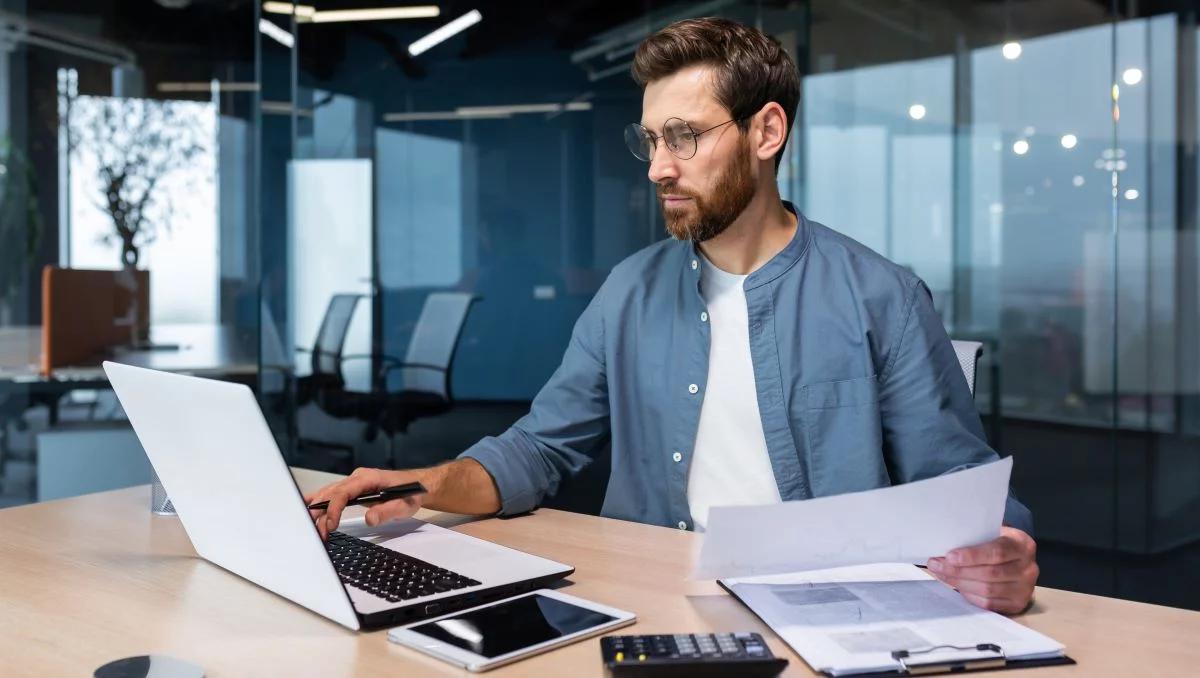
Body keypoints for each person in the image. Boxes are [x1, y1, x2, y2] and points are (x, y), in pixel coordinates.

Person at [307, 17, 1039, 615]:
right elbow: (539, 450)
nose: (659, 166)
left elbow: (962, 489)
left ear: (766, 132)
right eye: (653, 140)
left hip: (828, 611)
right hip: (648, 599)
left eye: (684, 137)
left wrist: (1002, 548)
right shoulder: (628, 291)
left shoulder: (882, 295)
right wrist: (416, 483)